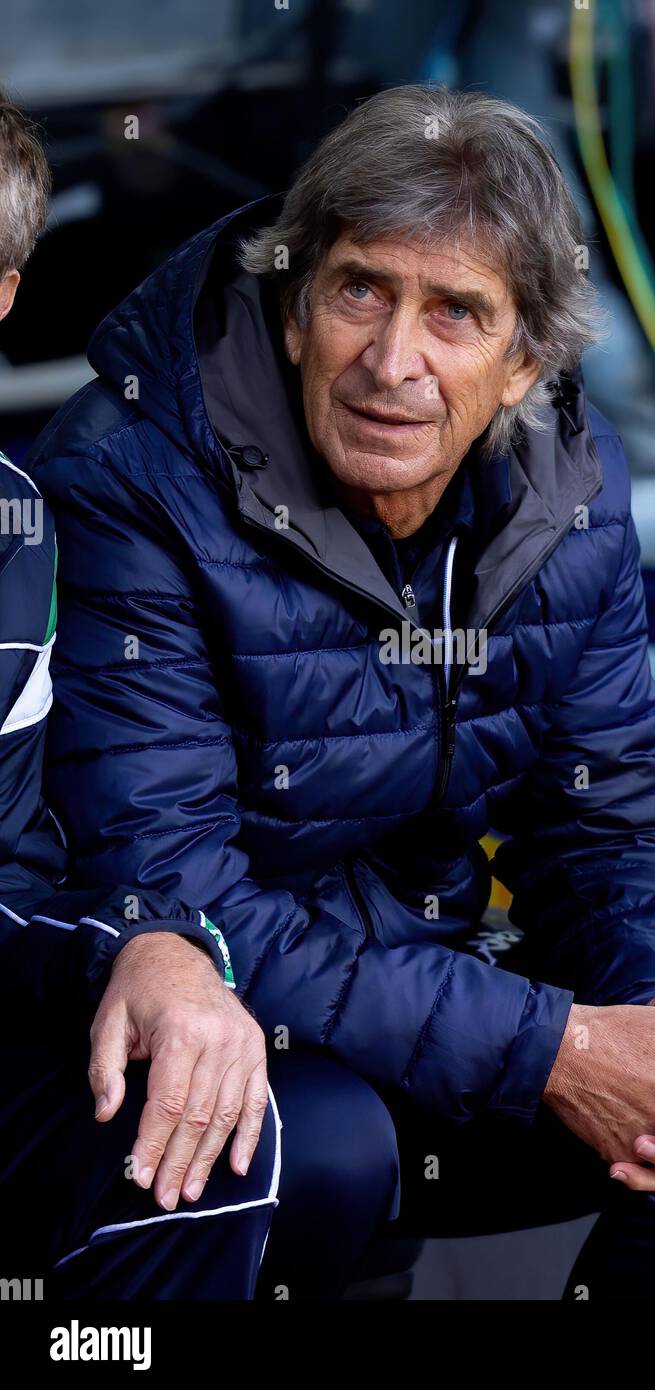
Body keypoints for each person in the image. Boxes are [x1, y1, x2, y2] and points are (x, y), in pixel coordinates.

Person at [25, 83, 655, 1300]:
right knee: (311, 1140)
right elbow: (172, 891)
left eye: (455, 313)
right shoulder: (128, 474)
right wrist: (554, 1052)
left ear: (523, 359)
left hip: (429, 1000)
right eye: (360, 288)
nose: (392, 361)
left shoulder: (566, 487)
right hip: (190, 1024)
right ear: (295, 298)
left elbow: (612, 806)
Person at [0, 87, 277, 1300]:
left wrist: (151, 949)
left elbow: (9, 885)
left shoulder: (16, 533)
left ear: (2, 293)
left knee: (225, 1139)